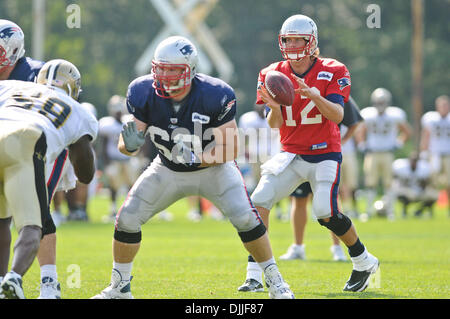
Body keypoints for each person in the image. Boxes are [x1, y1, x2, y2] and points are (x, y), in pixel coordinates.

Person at [92, 36, 294, 299]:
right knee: (127, 218)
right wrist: (128, 145)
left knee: (246, 218)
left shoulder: (215, 93)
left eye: (173, 70)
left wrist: (196, 158)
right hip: (166, 168)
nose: (165, 76)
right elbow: (128, 142)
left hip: (213, 170)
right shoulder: (141, 91)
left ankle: (275, 281)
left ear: (190, 70)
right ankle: (119, 288)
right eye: (161, 68)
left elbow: (230, 149)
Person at [238, 14, 379, 294]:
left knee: (325, 212)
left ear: (311, 41)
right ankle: (254, 273)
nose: (292, 45)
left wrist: (314, 95)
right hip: (290, 153)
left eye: (298, 39)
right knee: (257, 202)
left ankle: (364, 260)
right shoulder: (271, 73)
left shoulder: (333, 69)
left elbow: (338, 115)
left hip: (325, 153)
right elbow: (274, 123)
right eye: (287, 39)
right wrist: (275, 108)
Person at [0, 59, 98, 298]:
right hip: (27, 138)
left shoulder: (10, 86)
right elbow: (85, 174)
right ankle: (13, 279)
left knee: (2, 220)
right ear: (73, 89)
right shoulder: (79, 111)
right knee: (33, 224)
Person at [0, 19, 77, 299]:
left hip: (41, 149)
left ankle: (49, 282)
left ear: (14, 49)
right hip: (5, 150)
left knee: (39, 210)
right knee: (2, 216)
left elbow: (68, 108)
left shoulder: (38, 72)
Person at [279, 96, 363, 262]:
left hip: (325, 155)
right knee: (299, 200)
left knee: (331, 203)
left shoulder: (331, 85)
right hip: (300, 153)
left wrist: (342, 141)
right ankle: (298, 246)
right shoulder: (292, 86)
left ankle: (337, 247)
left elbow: (353, 120)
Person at [357, 88, 412, 220]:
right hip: (372, 153)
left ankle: (390, 212)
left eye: (382, 102)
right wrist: (362, 144)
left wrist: (399, 143)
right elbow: (360, 131)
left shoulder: (395, 115)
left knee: (389, 183)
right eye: (378, 101)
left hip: (388, 153)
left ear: (387, 102)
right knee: (370, 183)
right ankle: (368, 211)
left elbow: (407, 131)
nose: (380, 104)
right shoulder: (368, 114)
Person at [98, 95, 142, 223]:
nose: (117, 112)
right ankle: (113, 210)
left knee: (132, 186)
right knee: (113, 187)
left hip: (128, 160)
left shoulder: (129, 121)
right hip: (114, 160)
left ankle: (132, 210)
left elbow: (139, 140)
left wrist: (139, 156)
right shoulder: (107, 124)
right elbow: (104, 145)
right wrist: (105, 162)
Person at [420, 95, 450, 216]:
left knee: (449, 183)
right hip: (435, 154)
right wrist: (424, 151)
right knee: (432, 182)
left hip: (448, 154)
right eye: (442, 105)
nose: (444, 108)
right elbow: (426, 135)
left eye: (446, 105)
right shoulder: (431, 118)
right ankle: (429, 209)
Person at [392, 152, 438, 218]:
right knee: (400, 192)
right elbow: (395, 178)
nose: (413, 163)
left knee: (433, 195)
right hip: (407, 191)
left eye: (415, 161)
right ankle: (404, 211)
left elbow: (427, 183)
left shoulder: (423, 169)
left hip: (420, 191)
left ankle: (420, 210)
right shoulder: (401, 167)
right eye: (412, 161)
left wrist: (423, 183)